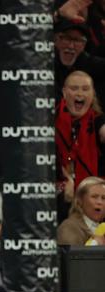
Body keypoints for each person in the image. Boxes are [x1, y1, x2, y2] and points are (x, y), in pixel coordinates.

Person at [56, 70, 105, 221]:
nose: (80, 94)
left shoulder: (98, 120)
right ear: (64, 92)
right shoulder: (48, 119)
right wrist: (65, 182)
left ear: (92, 94)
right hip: (58, 196)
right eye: (74, 88)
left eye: (85, 89)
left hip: (93, 198)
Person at [58, 176, 105, 245]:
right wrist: (94, 245)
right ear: (80, 200)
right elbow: (70, 255)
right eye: (94, 197)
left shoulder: (102, 228)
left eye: (104, 198)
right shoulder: (69, 227)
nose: (99, 202)